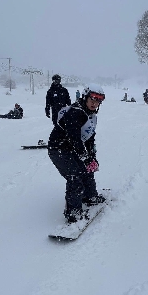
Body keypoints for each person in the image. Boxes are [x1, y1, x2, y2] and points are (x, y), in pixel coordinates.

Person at [48, 83, 106, 223]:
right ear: (85, 97)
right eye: (92, 98)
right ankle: (73, 212)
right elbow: (74, 138)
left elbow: (89, 139)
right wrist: (85, 157)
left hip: (71, 148)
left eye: (99, 100)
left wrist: (91, 158)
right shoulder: (75, 112)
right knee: (75, 176)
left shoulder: (90, 115)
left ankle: (90, 196)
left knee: (87, 169)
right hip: (59, 149)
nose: (95, 103)